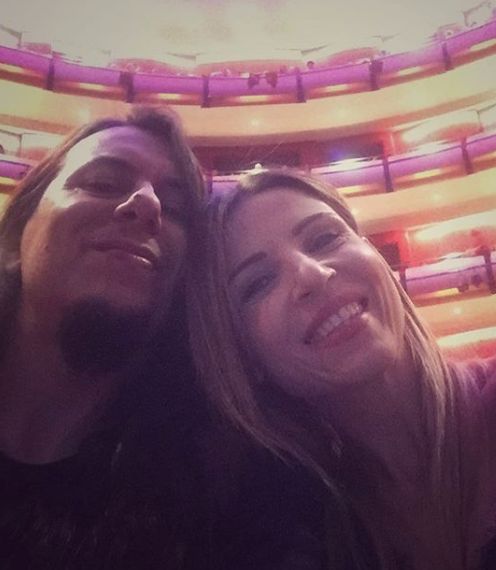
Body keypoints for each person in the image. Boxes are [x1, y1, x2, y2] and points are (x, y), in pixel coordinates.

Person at [194, 167, 496, 570]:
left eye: (324, 238)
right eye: (258, 283)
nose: (311, 275)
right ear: (245, 357)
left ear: (375, 256)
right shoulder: (295, 535)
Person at [0, 112, 322, 570]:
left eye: (174, 208)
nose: (147, 204)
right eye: (104, 183)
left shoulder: (237, 487)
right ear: (17, 232)